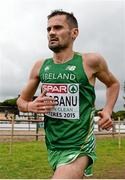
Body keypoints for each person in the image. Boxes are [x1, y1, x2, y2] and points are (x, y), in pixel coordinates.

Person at [17, 10, 120, 179]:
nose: (51, 33)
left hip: (80, 144)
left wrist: (108, 110)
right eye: (48, 29)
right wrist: (30, 106)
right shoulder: (40, 66)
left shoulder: (90, 61)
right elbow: (21, 101)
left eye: (57, 28)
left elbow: (113, 83)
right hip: (53, 144)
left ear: (74, 33)